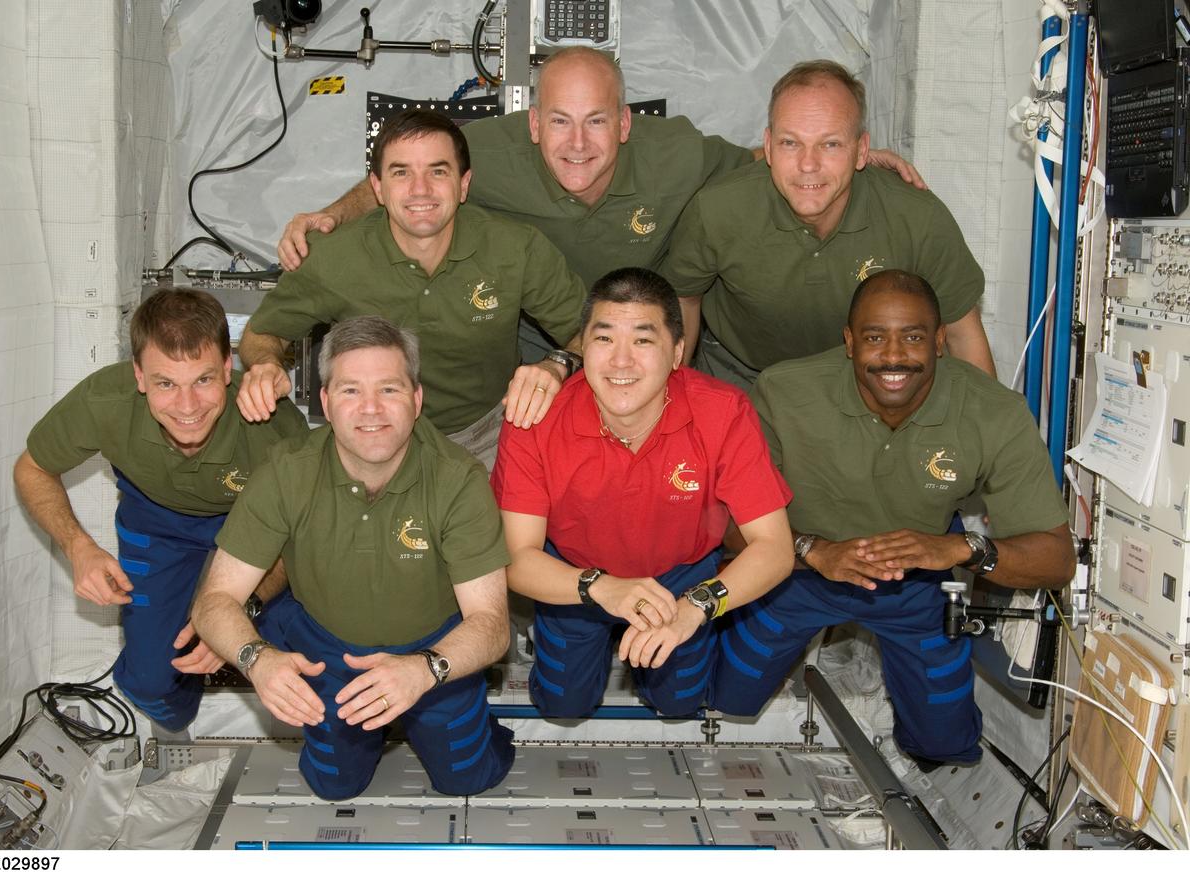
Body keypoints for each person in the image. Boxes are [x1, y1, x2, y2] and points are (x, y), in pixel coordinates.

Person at [276, 49, 924, 363]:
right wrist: (328, 216)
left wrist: (850, 160)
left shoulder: (675, 153)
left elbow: (765, 160)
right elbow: (408, 177)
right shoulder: (489, 152)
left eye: (596, 121)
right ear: (534, 125)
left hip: (642, 342)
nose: (578, 144)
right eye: (560, 121)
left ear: (625, 123)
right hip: (533, 344)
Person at [711, 270, 1074, 767]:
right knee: (725, 702)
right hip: (795, 573)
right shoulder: (783, 393)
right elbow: (726, 528)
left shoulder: (993, 411)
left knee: (945, 746)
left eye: (914, 337)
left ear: (940, 341)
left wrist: (960, 548)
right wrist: (813, 551)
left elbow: (1057, 559)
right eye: (875, 337)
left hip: (914, 580)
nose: (894, 356)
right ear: (849, 342)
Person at [192, 316, 514, 800]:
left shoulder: (457, 479)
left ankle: (470, 722)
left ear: (416, 399)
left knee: (468, 780)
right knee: (332, 786)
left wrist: (423, 669)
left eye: (389, 389)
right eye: (350, 391)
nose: (370, 409)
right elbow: (213, 601)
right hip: (329, 648)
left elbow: (491, 624)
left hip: (434, 648)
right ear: (325, 402)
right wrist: (257, 660)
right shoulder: (286, 472)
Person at [490, 268, 793, 717]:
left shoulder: (723, 411)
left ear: (677, 352)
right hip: (575, 571)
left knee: (678, 704)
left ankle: (687, 652)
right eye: (604, 338)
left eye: (643, 340)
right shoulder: (535, 420)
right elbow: (517, 558)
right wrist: (600, 588)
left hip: (682, 575)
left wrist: (695, 607)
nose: (621, 361)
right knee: (563, 707)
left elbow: (775, 548)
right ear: (583, 346)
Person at [14, 289, 307, 733]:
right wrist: (78, 548)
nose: (187, 407)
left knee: (313, 646)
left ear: (228, 368)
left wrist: (235, 616)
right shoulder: (105, 401)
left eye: (203, 380)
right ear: (139, 375)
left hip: (256, 529)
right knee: (152, 682)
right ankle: (178, 697)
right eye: (166, 383)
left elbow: (300, 531)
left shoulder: (274, 425)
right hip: (157, 521)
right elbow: (32, 469)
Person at [237, 110, 586, 469]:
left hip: (488, 435)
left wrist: (556, 365)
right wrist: (265, 365)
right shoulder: (332, 259)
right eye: (401, 172)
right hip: (372, 433)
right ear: (378, 188)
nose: (420, 189)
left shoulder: (516, 249)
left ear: (464, 184)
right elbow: (262, 334)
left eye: (438, 171)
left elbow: (590, 332)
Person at [662, 60, 996, 390]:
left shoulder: (916, 217)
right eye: (790, 142)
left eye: (830, 144)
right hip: (742, 373)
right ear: (769, 146)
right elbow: (685, 300)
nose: (808, 164)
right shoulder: (717, 210)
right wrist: (672, 400)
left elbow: (962, 335)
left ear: (861, 151)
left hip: (865, 382)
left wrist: (990, 422)